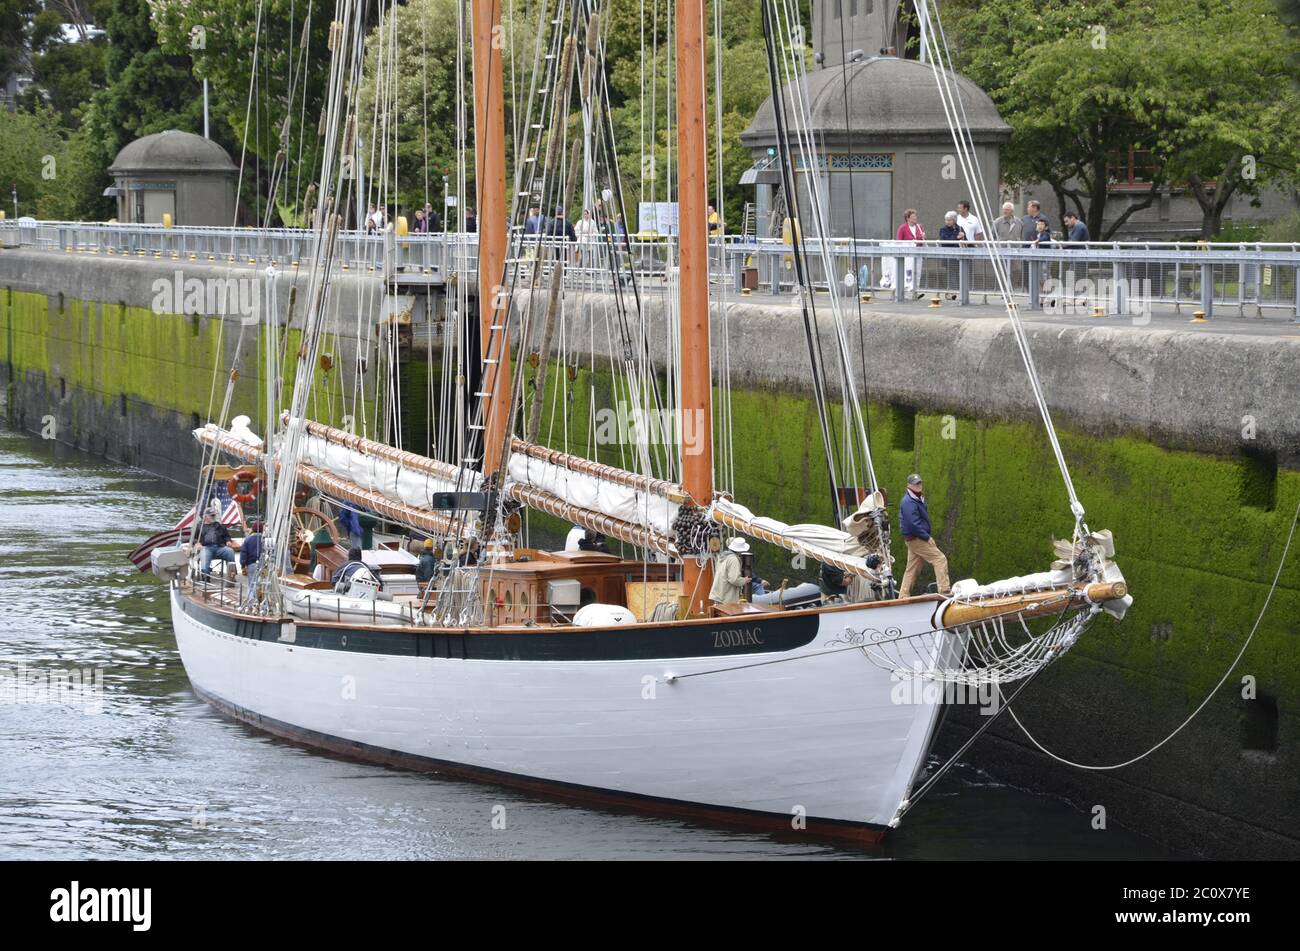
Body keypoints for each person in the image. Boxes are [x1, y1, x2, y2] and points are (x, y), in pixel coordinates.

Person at [898, 474, 950, 598]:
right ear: (909, 485)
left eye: (920, 483)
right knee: (940, 559)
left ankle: (903, 596)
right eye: (916, 484)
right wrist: (927, 537)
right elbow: (913, 524)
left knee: (912, 568)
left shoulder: (916, 498)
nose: (919, 485)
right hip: (917, 538)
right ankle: (944, 590)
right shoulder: (908, 501)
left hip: (913, 538)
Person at [708, 537, 751, 605]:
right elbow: (734, 579)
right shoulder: (733, 559)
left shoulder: (724, 557)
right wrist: (744, 580)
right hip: (726, 597)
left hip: (719, 594)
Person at [198, 510, 236, 579]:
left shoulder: (219, 525)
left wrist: (228, 541)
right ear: (205, 517)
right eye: (211, 515)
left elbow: (226, 536)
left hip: (219, 547)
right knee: (204, 554)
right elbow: (194, 538)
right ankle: (206, 576)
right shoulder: (199, 527)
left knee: (230, 551)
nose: (213, 517)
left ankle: (231, 575)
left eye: (214, 515)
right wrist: (197, 543)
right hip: (206, 547)